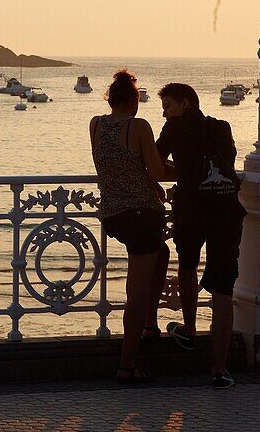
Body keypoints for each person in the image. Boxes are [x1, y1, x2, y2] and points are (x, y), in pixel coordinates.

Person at [155, 82, 244, 390]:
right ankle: (220, 369)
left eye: (168, 106)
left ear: (185, 105)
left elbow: (153, 165)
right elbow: (228, 162)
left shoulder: (173, 129)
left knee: (188, 265)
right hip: (226, 211)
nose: (165, 113)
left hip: (191, 211)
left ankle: (190, 331)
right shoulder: (222, 127)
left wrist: (178, 171)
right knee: (222, 290)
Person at [89, 69, 170, 383]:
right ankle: (127, 364)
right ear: (134, 100)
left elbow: (119, 166)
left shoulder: (96, 124)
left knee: (160, 254)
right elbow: (156, 171)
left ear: (110, 100)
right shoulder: (139, 126)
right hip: (141, 215)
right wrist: (186, 169)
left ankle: (150, 323)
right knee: (135, 293)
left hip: (112, 215)